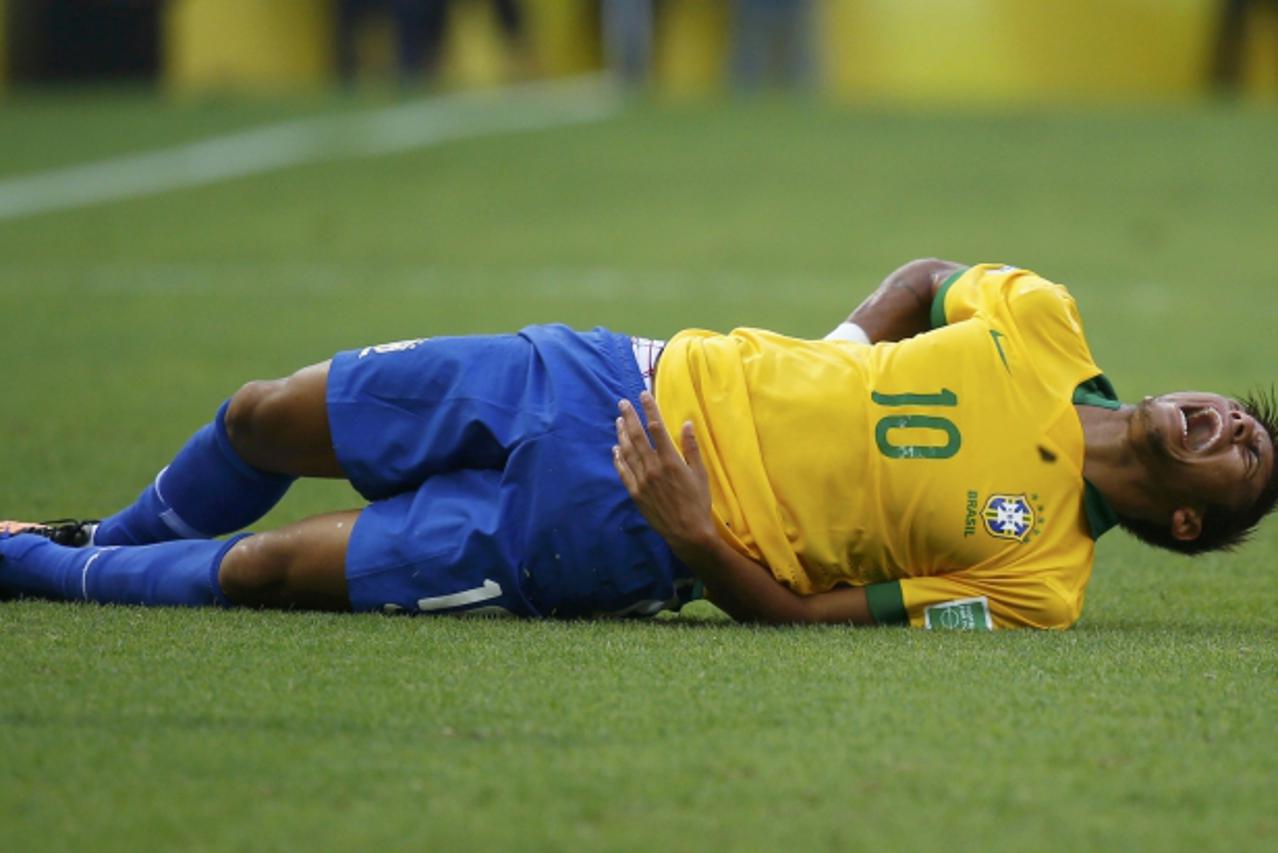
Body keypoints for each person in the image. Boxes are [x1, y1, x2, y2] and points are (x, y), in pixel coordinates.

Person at [3, 260, 1276, 629]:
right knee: (261, 413)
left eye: (1241, 458)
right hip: (604, 374)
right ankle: (95, 540)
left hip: (607, 533)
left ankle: (32, 569)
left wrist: (692, 534)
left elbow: (811, 618)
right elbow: (924, 276)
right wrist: (829, 351)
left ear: (1189, 522)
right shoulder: (1043, 323)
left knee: (272, 574)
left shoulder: (1040, 582)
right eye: (1239, 410)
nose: (1226, 420)